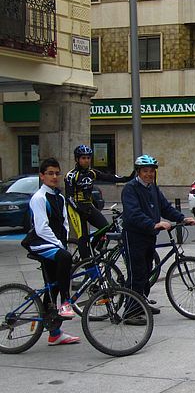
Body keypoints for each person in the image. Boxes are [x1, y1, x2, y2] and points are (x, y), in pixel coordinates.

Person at [122, 155, 195, 318]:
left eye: (151, 171)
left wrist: (182, 218)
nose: (149, 174)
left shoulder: (152, 188)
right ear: (138, 172)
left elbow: (165, 207)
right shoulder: (130, 188)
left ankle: (141, 302)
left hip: (149, 236)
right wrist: (154, 224)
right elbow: (133, 213)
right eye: (145, 171)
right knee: (137, 273)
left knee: (147, 271)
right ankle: (130, 312)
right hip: (134, 235)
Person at [21, 158, 79, 345]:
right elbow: (41, 227)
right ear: (42, 176)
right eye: (50, 173)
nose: (54, 177)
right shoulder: (39, 198)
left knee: (53, 285)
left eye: (57, 173)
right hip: (40, 242)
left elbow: (63, 223)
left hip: (54, 243)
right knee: (65, 257)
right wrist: (59, 245)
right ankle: (66, 303)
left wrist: (64, 240)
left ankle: (54, 333)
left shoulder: (59, 197)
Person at [65, 144, 134, 259]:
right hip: (75, 208)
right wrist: (79, 210)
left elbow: (109, 177)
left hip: (88, 206)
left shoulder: (92, 173)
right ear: (77, 159)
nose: (86, 160)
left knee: (105, 227)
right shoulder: (71, 175)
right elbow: (69, 197)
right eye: (83, 158)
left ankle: (93, 248)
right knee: (83, 237)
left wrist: (126, 178)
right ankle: (86, 262)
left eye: (88, 158)